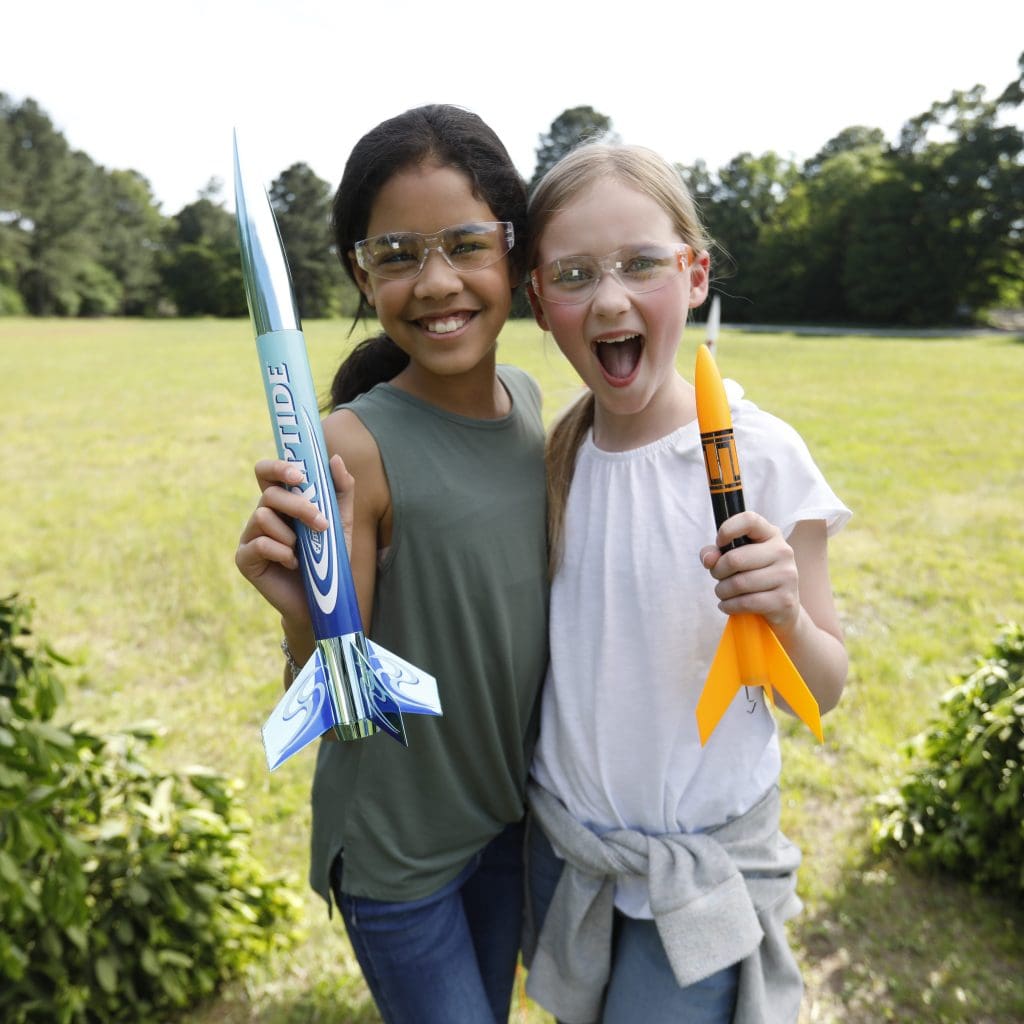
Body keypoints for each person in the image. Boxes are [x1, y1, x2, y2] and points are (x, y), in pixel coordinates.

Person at [521, 143, 851, 1024]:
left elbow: (825, 689)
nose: (611, 298)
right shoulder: (551, 458)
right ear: (539, 303)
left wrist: (782, 611)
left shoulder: (764, 455)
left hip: (701, 872)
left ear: (696, 274)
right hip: (568, 858)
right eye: (575, 274)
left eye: (641, 264)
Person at [235, 104, 548, 1024]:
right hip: (397, 856)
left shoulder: (531, 403)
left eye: (464, 243)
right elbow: (333, 682)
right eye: (398, 255)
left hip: (505, 823)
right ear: (360, 275)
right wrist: (303, 617)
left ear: (514, 254)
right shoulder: (352, 446)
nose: (437, 281)